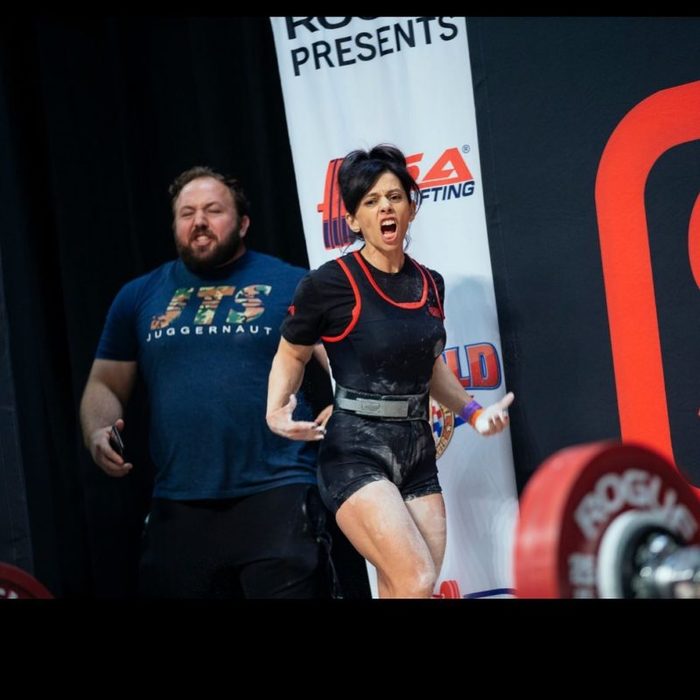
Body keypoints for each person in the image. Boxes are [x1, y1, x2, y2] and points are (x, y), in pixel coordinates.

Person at [266, 144, 514, 599]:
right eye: (372, 200)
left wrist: (475, 413)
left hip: (417, 453)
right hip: (354, 452)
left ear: (411, 209)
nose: (385, 207)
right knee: (416, 577)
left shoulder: (430, 283)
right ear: (353, 219)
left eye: (395, 197)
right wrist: (275, 409)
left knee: (407, 588)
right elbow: (292, 353)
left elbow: (430, 368)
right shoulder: (328, 283)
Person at [80, 165, 333, 598]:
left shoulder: (292, 284)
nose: (199, 221)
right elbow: (105, 382)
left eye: (213, 210)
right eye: (187, 213)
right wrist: (97, 431)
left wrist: (346, 409)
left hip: (278, 492)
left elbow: (342, 364)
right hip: (179, 506)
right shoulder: (138, 295)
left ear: (243, 223)